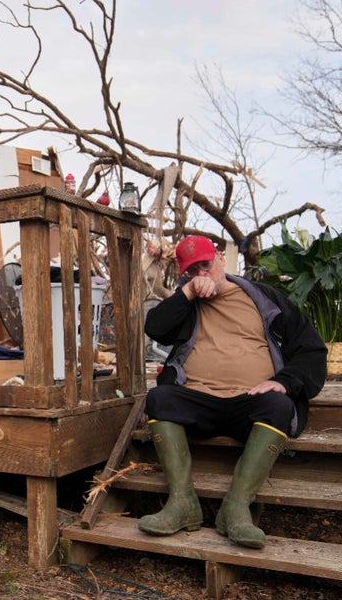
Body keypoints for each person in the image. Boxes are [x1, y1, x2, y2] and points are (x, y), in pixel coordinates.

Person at [139, 235, 327, 549]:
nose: (202, 274)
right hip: (199, 400)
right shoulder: (188, 303)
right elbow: (155, 328)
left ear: (222, 259)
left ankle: (236, 507)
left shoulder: (267, 300)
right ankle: (182, 503)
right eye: (192, 271)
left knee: (280, 406)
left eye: (206, 265)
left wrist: (284, 381)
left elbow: (312, 350)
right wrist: (186, 292)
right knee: (159, 398)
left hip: (249, 402)